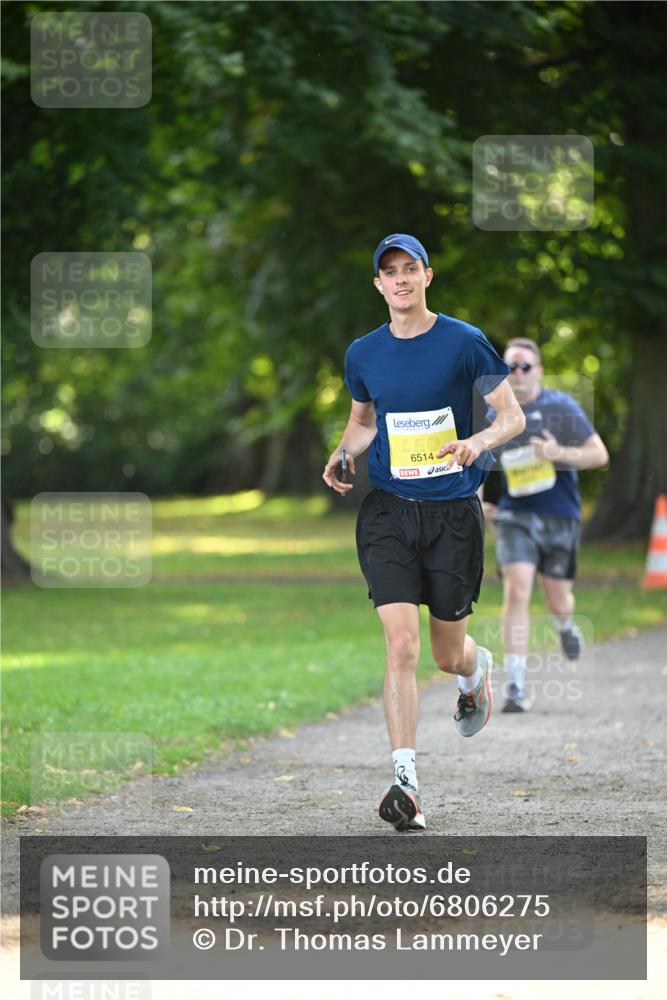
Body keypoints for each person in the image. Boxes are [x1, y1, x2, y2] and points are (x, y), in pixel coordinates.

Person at [322, 233, 525, 832]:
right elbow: (363, 421)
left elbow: (509, 417)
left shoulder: (464, 343)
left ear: (427, 277)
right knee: (401, 646)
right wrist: (342, 453)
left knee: (443, 653)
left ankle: (473, 669)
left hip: (453, 514)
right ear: (379, 285)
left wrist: (476, 443)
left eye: (411, 269)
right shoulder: (363, 353)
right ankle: (406, 783)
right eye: (390, 272)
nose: (401, 279)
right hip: (388, 510)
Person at [482, 337, 609, 713]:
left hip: (559, 515)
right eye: (510, 367)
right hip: (514, 516)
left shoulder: (561, 407)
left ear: (537, 371)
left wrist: (558, 454)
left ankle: (565, 625)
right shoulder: (492, 416)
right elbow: (481, 471)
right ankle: (516, 687)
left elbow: (599, 455)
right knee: (517, 590)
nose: (517, 374)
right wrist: (483, 507)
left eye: (525, 366)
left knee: (557, 599)